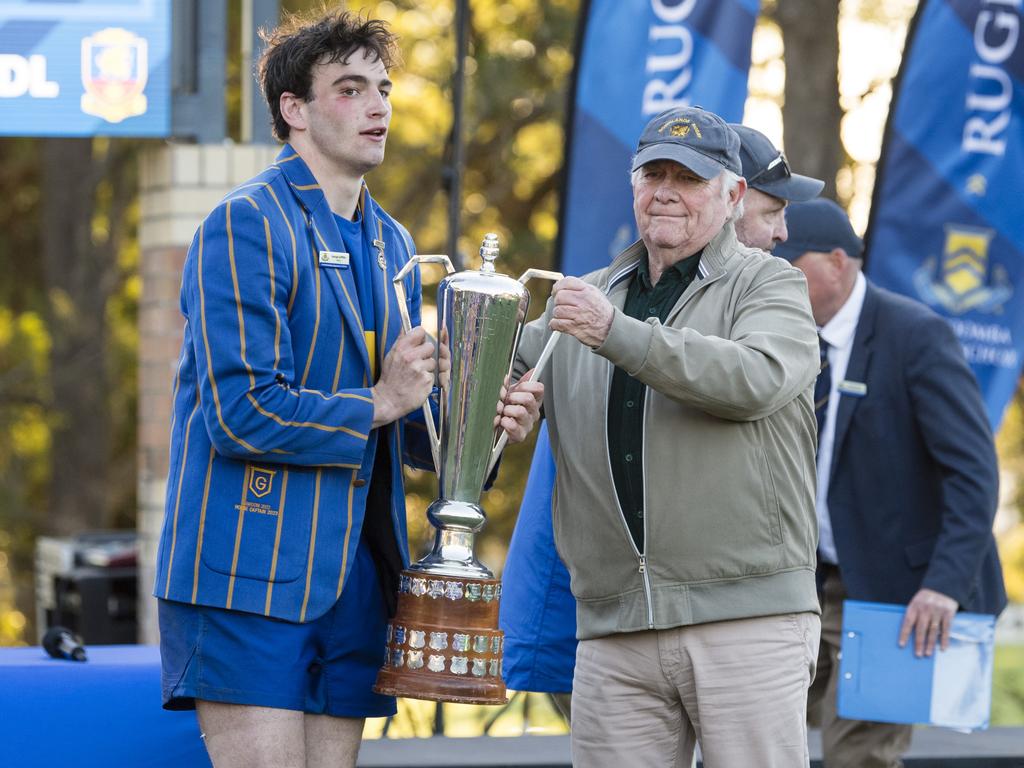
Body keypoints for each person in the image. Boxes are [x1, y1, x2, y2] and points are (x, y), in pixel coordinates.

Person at [151, 11, 541, 768]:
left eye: (385, 90)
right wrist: (382, 401)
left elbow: (404, 415)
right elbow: (242, 413)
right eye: (351, 89)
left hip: (358, 577)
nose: (378, 107)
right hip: (247, 574)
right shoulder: (244, 224)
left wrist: (476, 430)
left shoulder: (393, 241)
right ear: (293, 110)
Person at [513, 106, 822, 767]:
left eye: (689, 177)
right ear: (633, 184)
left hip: (748, 618)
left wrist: (614, 332)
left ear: (732, 194)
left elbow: (755, 380)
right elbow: (496, 391)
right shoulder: (581, 299)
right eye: (654, 173)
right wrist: (488, 400)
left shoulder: (771, 283)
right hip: (613, 626)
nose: (666, 191)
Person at [775, 199, 1007, 768]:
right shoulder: (782, 336)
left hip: (893, 599)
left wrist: (943, 586)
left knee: (860, 755)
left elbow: (973, 473)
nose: (775, 277)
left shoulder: (916, 336)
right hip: (803, 587)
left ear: (837, 261)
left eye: (789, 265)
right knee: (760, 734)